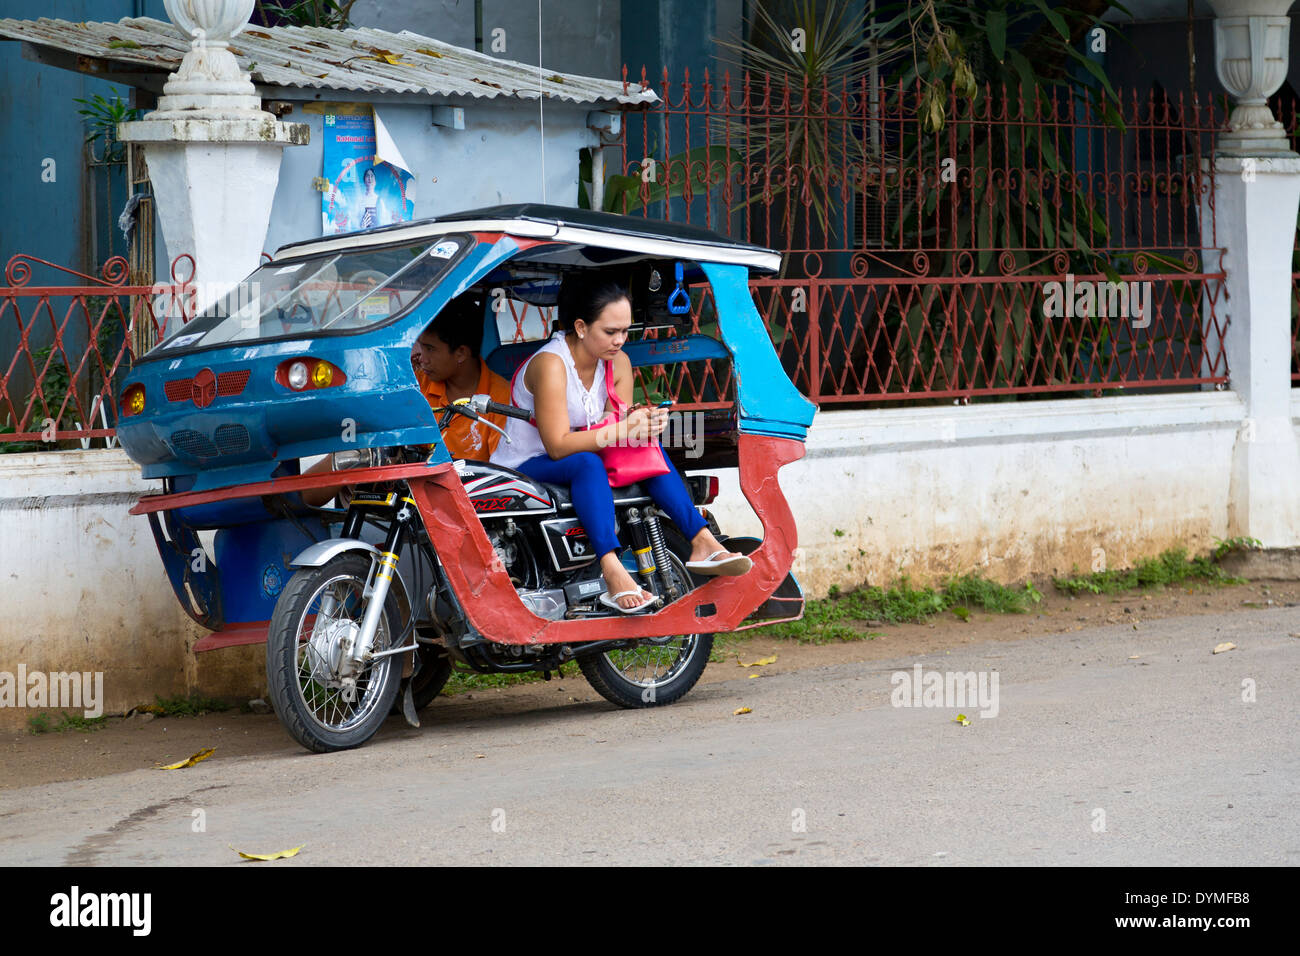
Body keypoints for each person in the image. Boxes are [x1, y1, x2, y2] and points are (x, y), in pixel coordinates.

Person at [491, 277, 751, 613]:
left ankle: (702, 542)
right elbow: (557, 446)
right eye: (610, 331)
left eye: (625, 331)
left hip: (584, 455)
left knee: (645, 450)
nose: (619, 341)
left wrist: (643, 426)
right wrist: (622, 430)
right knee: (587, 463)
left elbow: (616, 429)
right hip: (529, 462)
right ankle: (611, 568)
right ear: (581, 327)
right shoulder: (551, 364)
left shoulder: (618, 363)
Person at [300, 296, 509, 506]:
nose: (422, 357)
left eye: (430, 349)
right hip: (401, 500)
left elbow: (500, 478)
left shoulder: (499, 399)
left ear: (461, 353)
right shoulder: (414, 383)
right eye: (420, 345)